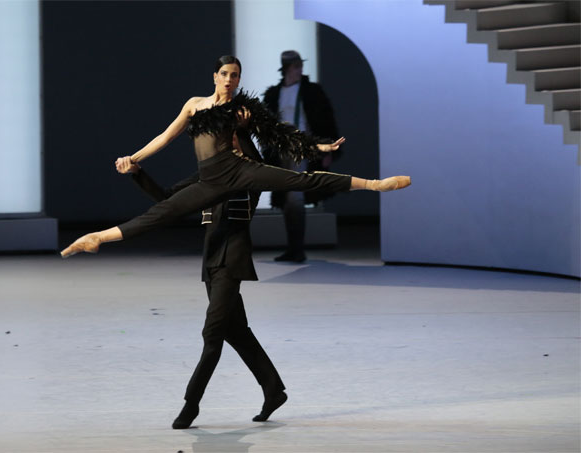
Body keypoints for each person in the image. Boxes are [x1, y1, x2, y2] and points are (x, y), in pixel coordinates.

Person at [60, 55, 411, 257]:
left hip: (239, 169)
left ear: (239, 81)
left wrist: (319, 147)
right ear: (215, 76)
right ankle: (97, 238)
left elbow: (279, 133)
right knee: (162, 212)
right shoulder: (195, 106)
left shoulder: (243, 109)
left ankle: (375, 185)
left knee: (301, 180)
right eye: (225, 74)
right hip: (210, 178)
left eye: (235, 76)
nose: (229, 80)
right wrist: (132, 159)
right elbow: (165, 137)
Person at [116, 129, 286, 429]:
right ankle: (273, 389)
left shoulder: (253, 175)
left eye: (231, 138)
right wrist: (138, 172)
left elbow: (259, 160)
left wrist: (245, 129)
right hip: (211, 260)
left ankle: (191, 404)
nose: (224, 143)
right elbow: (168, 199)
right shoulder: (207, 177)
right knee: (236, 331)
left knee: (212, 336)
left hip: (232, 261)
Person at [263, 50, 339, 263]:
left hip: (303, 149)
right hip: (282, 150)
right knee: (288, 199)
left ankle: (297, 249)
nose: (299, 70)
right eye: (296, 67)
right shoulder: (275, 94)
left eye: (300, 66)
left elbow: (325, 120)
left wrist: (327, 149)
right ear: (287, 68)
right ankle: (293, 248)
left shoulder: (311, 92)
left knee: (295, 197)